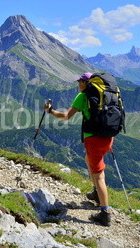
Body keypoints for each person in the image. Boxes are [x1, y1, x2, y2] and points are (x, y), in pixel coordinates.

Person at [44, 72, 113, 226]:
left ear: (85, 83)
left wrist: (50, 111)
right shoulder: (106, 94)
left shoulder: (83, 96)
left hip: (93, 138)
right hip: (108, 136)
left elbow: (66, 116)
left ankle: (105, 213)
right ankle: (96, 193)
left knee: (99, 174)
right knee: (89, 159)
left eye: (79, 82)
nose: (78, 85)